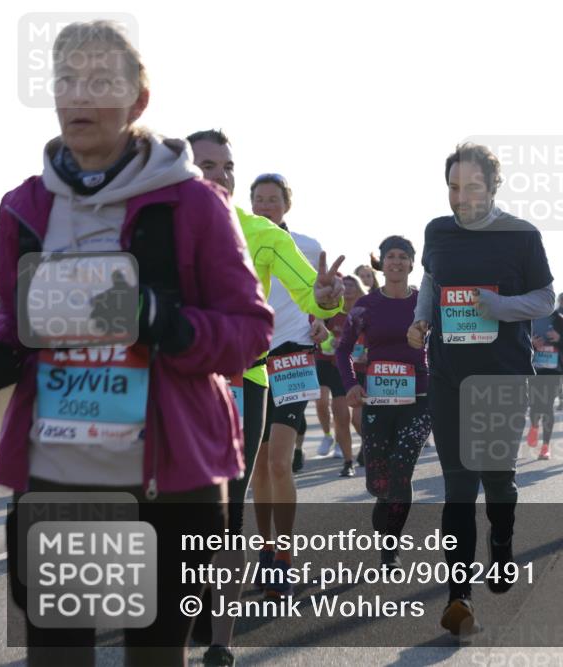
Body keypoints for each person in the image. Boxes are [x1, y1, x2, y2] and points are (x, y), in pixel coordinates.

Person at [0, 21, 274, 667]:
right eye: (66, 79)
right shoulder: (23, 207)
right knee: (56, 657)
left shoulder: (195, 204)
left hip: (168, 483)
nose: (78, 94)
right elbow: (12, 320)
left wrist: (161, 320)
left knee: (154, 656)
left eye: (100, 80)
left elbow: (251, 332)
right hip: (57, 478)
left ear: (138, 100)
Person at [188, 132, 344, 666]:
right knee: (179, 508)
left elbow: (310, 291)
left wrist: (324, 297)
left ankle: (220, 639)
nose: (221, 175)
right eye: (207, 165)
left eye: (228, 166)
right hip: (175, 386)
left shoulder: (265, 236)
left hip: (254, 376)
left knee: (239, 495)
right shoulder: (154, 224)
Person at [407, 143, 555, 636]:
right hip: (448, 377)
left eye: (472, 187)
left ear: (494, 187)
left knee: (496, 482)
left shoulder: (521, 236)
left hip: (502, 376)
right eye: (453, 187)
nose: (462, 196)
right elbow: (430, 279)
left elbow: (545, 298)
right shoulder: (437, 231)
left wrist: (501, 306)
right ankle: (459, 598)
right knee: (457, 489)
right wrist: (421, 319)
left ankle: (503, 539)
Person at [248, 173, 344, 596]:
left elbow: (316, 295)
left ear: (287, 204)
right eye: (259, 199)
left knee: (279, 463)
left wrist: (320, 324)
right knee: (258, 466)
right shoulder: (238, 241)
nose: (265, 205)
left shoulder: (304, 246)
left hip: (292, 354)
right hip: (249, 358)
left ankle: (284, 554)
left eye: (273, 199)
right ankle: (265, 547)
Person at [335, 236, 431, 569]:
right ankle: (383, 504)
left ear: (411, 263)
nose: (396, 262)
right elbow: (342, 349)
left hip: (419, 398)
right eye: (390, 256)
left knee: (402, 469)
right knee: (380, 480)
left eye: (403, 257)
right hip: (377, 400)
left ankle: (391, 547)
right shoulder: (365, 305)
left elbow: (446, 343)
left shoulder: (424, 304)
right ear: (382, 263)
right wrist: (350, 385)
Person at [312, 274, 365, 475]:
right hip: (338, 369)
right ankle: (347, 462)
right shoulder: (331, 311)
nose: (349, 287)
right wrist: (330, 342)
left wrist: (367, 350)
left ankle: (368, 446)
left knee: (358, 420)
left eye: (353, 284)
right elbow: (318, 333)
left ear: (359, 289)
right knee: (341, 416)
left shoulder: (366, 312)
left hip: (362, 370)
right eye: (346, 284)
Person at [527, 310, 563, 460]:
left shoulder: (558, 318)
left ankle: (545, 446)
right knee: (534, 405)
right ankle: (534, 426)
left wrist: (559, 338)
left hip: (553, 369)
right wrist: (531, 343)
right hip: (534, 368)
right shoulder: (528, 315)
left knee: (547, 406)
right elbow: (518, 339)